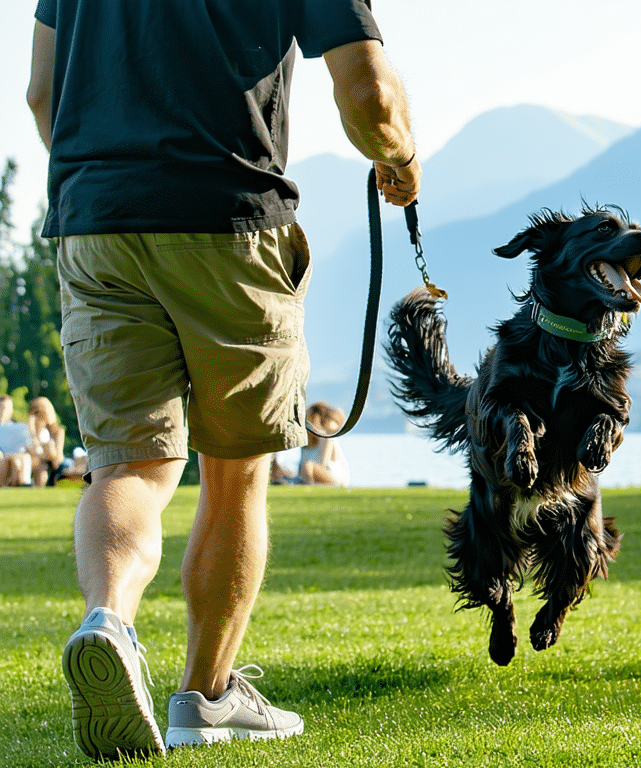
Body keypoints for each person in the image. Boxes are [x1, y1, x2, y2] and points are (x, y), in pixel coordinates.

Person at [27, 0, 420, 759]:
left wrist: (108, 183)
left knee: (129, 462)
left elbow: (42, 93)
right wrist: (398, 159)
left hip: (95, 218)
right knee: (236, 472)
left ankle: (107, 619)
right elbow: (368, 92)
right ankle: (205, 698)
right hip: (227, 217)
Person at [26, 395, 71, 486]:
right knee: (39, 465)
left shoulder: (57, 431)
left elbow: (57, 457)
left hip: (54, 463)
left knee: (48, 448)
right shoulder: (29, 431)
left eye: (39, 413)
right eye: (35, 413)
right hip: (38, 461)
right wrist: (34, 432)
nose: (38, 417)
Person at [0, 394, 36, 486]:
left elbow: (31, 447)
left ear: (11, 410)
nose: (2, 411)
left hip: (18, 459)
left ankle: (23, 483)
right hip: (2, 459)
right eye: (1, 407)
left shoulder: (21, 427)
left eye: (5, 408)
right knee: (10, 460)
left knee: (21, 459)